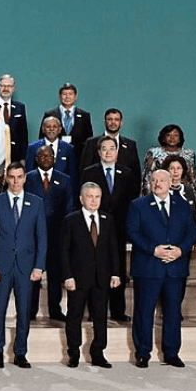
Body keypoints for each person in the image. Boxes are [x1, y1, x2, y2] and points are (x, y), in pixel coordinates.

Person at [127, 169, 195, 367]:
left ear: (170, 182)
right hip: (148, 267)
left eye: (162, 180)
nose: (158, 183)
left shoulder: (182, 205)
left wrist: (181, 250)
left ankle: (171, 353)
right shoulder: (138, 205)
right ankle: (142, 352)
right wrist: (153, 250)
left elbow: (191, 231)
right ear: (149, 183)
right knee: (144, 311)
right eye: (154, 180)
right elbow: (132, 231)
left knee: (173, 312)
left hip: (175, 267)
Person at [0, 163, 46, 368]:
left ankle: (20, 352)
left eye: (19, 177)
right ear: (6, 179)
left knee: (24, 311)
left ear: (25, 178)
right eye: (12, 177)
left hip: (26, 268)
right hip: (1, 268)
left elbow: (42, 238)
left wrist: (39, 267)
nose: (16, 181)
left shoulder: (36, 203)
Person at [81, 135, 141, 324]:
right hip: (95, 226)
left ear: (117, 152)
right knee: (94, 267)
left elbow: (132, 201)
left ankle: (117, 310)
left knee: (118, 268)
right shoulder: (89, 172)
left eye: (112, 149)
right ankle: (95, 311)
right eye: (104, 149)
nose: (108, 152)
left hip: (119, 228)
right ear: (99, 152)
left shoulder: (127, 172)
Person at [60, 183, 120, 368]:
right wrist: (68, 276)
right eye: (90, 196)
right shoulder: (71, 220)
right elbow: (64, 252)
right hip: (78, 279)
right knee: (74, 316)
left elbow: (113, 250)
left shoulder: (108, 219)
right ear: (81, 198)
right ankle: (74, 353)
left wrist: (116, 274)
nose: (93, 200)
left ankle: (98, 353)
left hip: (101, 278)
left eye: (97, 197)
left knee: (100, 316)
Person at [25, 143, 74, 321]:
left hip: (56, 235)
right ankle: (30, 310)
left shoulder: (65, 179)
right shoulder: (27, 178)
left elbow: (69, 209)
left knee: (54, 274)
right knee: (33, 274)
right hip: (32, 235)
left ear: (54, 159)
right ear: (37, 159)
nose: (46, 159)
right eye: (42, 156)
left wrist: (65, 234)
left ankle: (55, 309)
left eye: (49, 156)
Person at [79, 108, 142, 173]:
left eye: (116, 120)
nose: (113, 122)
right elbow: (84, 171)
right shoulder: (91, 143)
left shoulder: (130, 145)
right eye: (110, 119)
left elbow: (136, 173)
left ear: (121, 123)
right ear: (105, 122)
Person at [42, 83, 92, 161]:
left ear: (75, 97)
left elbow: (89, 140)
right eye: (64, 94)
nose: (67, 97)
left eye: (70, 94)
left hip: (78, 157)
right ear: (59, 96)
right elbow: (42, 137)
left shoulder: (84, 116)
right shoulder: (50, 114)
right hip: (55, 156)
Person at [0, 74, 29, 164]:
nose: (6, 89)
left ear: (13, 89)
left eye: (9, 86)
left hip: (15, 157)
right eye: (3, 86)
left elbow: (23, 135)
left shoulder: (20, 107)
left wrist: (23, 159)